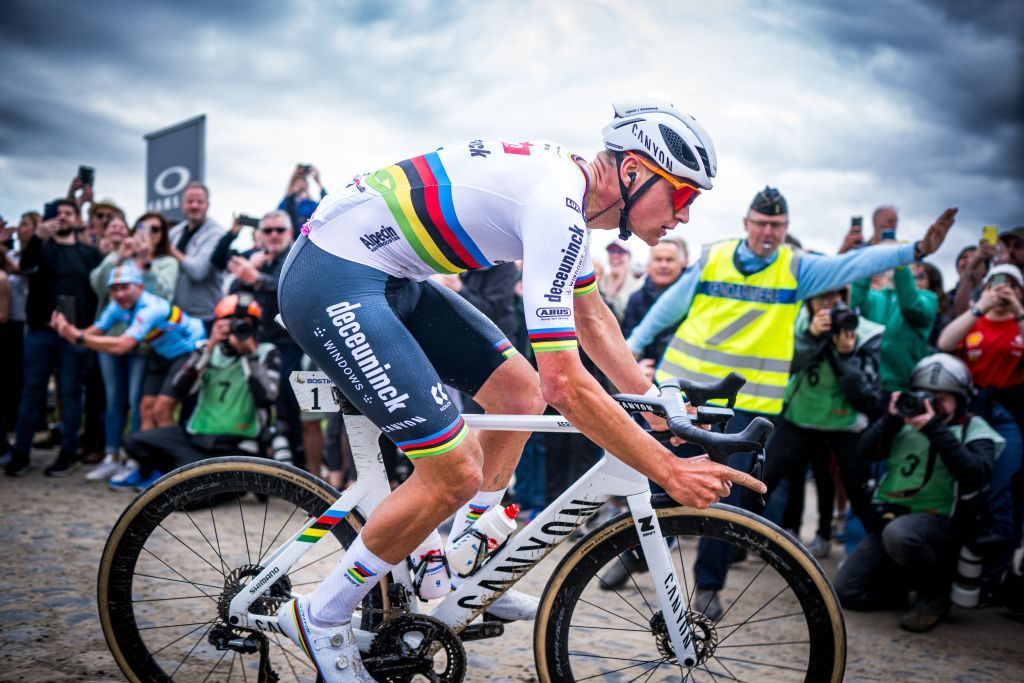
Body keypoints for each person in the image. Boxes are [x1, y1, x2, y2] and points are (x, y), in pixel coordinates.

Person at [275, 99, 767, 680]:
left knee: (519, 394)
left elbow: (595, 320)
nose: (683, 217)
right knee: (453, 469)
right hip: (332, 277)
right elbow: (567, 382)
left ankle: (468, 557)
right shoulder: (556, 205)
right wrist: (666, 468)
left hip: (389, 279)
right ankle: (321, 614)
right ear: (633, 171)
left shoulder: (573, 203)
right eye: (682, 195)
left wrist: (655, 404)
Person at [627, 187, 955, 618]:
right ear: (746, 223)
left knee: (726, 499)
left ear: (786, 229)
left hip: (748, 403)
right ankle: (633, 556)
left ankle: (708, 587)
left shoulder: (797, 269)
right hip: (687, 391)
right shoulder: (714, 257)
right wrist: (632, 347)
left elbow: (851, 264)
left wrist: (914, 250)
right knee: (658, 479)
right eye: (761, 223)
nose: (768, 232)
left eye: (777, 226)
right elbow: (668, 308)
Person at [833, 354, 1003, 633]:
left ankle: (935, 595)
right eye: (927, 396)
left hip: (943, 525)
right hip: (893, 521)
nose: (933, 404)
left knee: (901, 534)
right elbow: (860, 455)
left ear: (960, 398)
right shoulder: (903, 423)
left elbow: (976, 474)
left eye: (943, 398)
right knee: (847, 590)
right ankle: (908, 588)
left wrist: (936, 427)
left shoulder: (974, 429)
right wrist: (890, 421)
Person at [762, 288, 883, 557]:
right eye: (823, 299)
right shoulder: (797, 323)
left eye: (837, 299)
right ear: (810, 302)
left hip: (846, 424)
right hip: (800, 417)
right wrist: (810, 338)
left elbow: (867, 397)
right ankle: (736, 543)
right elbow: (782, 369)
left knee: (859, 491)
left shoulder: (865, 332)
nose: (830, 306)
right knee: (762, 479)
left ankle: (877, 556)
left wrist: (845, 355)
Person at [118, 293, 281, 490]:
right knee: (134, 441)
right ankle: (205, 479)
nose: (237, 329)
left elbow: (266, 398)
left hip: (238, 445)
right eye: (229, 323)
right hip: (196, 439)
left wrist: (250, 355)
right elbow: (179, 388)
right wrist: (209, 347)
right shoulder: (207, 350)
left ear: (255, 327)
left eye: (244, 324)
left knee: (189, 500)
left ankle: (224, 486)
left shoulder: (265, 352)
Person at [49, 262, 206, 441]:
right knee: (145, 408)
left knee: (162, 409)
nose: (119, 294)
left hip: (188, 352)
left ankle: (173, 462)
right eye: (114, 289)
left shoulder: (150, 308)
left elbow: (122, 345)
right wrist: (66, 329)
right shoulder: (118, 306)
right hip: (162, 354)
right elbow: (91, 332)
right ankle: (147, 464)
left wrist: (76, 337)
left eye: (125, 287)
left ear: (140, 286)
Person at [5, 199, 102, 477]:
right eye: (58, 214)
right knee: (31, 392)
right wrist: (37, 237)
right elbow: (25, 265)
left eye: (68, 213)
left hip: (75, 334)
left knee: (71, 393)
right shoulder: (41, 248)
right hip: (40, 331)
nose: (63, 217)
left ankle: (68, 452)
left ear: (76, 218)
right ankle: (21, 453)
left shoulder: (89, 254)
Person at [938, 263, 1024, 552]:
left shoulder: (1020, 323)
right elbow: (944, 342)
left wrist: (1018, 311)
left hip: (1009, 414)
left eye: (1011, 284)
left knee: (1003, 487)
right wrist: (978, 308)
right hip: (974, 411)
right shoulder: (975, 321)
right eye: (997, 282)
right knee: (971, 486)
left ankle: (997, 568)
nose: (1003, 289)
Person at [227, 210, 306, 467]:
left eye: (279, 230)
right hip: (256, 341)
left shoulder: (296, 257)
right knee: (252, 399)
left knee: (286, 401)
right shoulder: (257, 259)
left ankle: (297, 462)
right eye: (268, 230)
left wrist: (258, 278)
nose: (274, 235)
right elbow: (233, 292)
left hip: (289, 343)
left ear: (290, 233)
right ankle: (260, 462)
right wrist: (254, 271)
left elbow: (293, 289)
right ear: (259, 234)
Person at [852, 262, 940, 394]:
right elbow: (855, 302)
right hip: (867, 384)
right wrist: (870, 260)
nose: (913, 273)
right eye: (912, 270)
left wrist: (901, 264)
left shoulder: (929, 298)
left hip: (904, 387)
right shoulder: (876, 297)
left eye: (920, 275)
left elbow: (911, 307)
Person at [621, 237, 687, 380]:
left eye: (670, 260)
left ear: (682, 264)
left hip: (683, 377)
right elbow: (626, 339)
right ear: (649, 265)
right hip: (646, 379)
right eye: (658, 259)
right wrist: (637, 366)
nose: (663, 265)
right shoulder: (635, 299)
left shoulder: (692, 299)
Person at [168, 182, 226, 328]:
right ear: (182, 204)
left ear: (207, 205)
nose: (194, 206)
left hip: (204, 318)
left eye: (199, 202)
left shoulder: (216, 233)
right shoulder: (175, 232)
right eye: (190, 201)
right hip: (174, 315)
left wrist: (169, 249)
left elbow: (198, 271)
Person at [280, 164, 328, 236]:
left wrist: (318, 182)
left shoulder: (310, 204)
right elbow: (280, 214)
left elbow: (326, 206)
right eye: (297, 186)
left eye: (303, 187)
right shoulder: (287, 203)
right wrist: (294, 177)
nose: (300, 189)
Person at [601, 238, 642, 319]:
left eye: (621, 252)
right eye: (611, 251)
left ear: (629, 257)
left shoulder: (638, 286)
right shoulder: (598, 281)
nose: (615, 256)